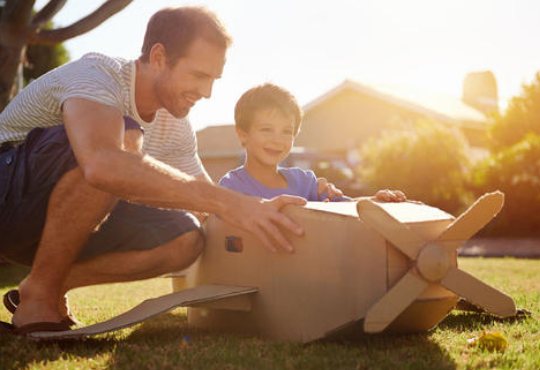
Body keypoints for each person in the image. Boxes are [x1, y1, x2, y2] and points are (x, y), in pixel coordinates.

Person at [0, 7, 307, 335]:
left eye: (213, 80)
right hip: (7, 198)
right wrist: (226, 202)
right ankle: (40, 303)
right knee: (119, 146)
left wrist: (283, 215)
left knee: (186, 236)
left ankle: (42, 286)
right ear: (159, 57)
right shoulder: (97, 75)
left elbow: (206, 201)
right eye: (199, 76)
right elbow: (102, 163)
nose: (207, 93)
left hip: (50, 227)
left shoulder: (175, 125)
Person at [219, 83, 406, 203]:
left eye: (286, 131)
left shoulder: (305, 182)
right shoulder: (231, 188)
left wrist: (375, 201)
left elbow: (348, 208)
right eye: (266, 129)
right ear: (243, 135)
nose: (277, 139)